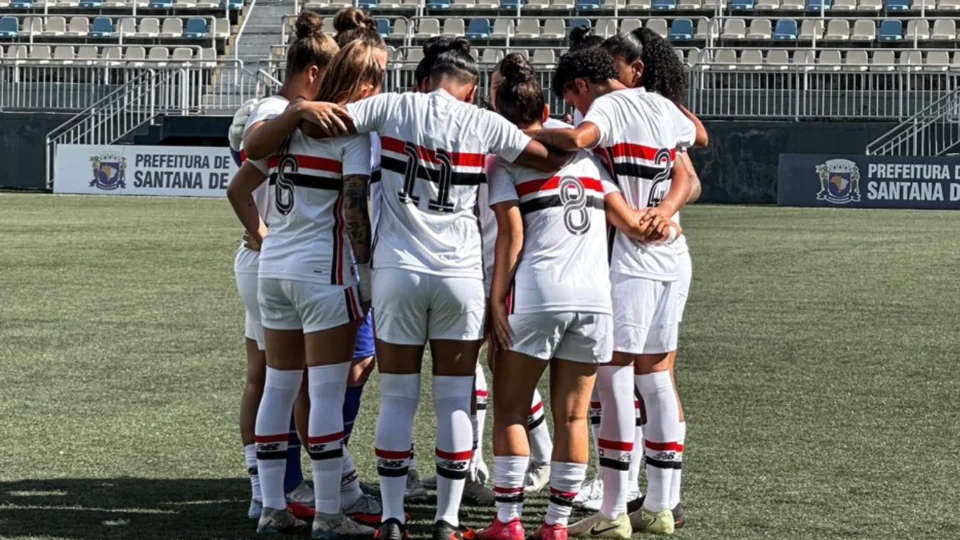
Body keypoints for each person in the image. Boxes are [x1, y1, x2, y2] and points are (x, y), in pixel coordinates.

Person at [304, 37, 571, 540]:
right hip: (460, 277)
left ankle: (392, 519)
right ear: (471, 89)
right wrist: (575, 137)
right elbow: (545, 158)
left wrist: (298, 110)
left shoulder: (392, 106)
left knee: (398, 398)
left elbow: (334, 119)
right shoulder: (484, 122)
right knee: (454, 400)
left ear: (428, 80)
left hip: (396, 272)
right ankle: (447, 522)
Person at [475, 54, 681, 540]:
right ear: (546, 106)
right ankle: (557, 526)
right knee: (572, 415)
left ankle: (507, 523)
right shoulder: (589, 159)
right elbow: (629, 222)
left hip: (539, 294)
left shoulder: (503, 160)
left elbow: (511, 236)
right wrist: (664, 222)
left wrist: (495, 302)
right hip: (596, 300)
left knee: (510, 408)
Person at [533, 46, 698, 537]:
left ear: (582, 85)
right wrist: (664, 213)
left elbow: (580, 137)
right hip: (672, 253)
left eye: (570, 96)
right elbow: (688, 175)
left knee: (614, 378)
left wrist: (529, 132)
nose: (575, 107)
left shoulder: (606, 107)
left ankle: (612, 512)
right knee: (658, 377)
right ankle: (662, 508)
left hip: (629, 261)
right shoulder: (664, 107)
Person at [229, 34, 387, 537]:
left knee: (278, 384)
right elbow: (355, 208)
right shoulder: (350, 132)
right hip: (324, 272)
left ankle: (272, 507)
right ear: (363, 84)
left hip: (273, 267)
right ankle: (327, 514)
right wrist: (368, 275)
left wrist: (295, 114)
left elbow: (243, 169)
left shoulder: (283, 127)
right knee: (321, 394)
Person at [225, 12, 343, 525]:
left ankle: (272, 496)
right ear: (314, 72)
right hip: (285, 259)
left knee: (281, 380)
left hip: (280, 258)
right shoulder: (277, 108)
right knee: (276, 379)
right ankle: (271, 491)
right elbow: (250, 149)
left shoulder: (301, 112)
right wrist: (260, 232)